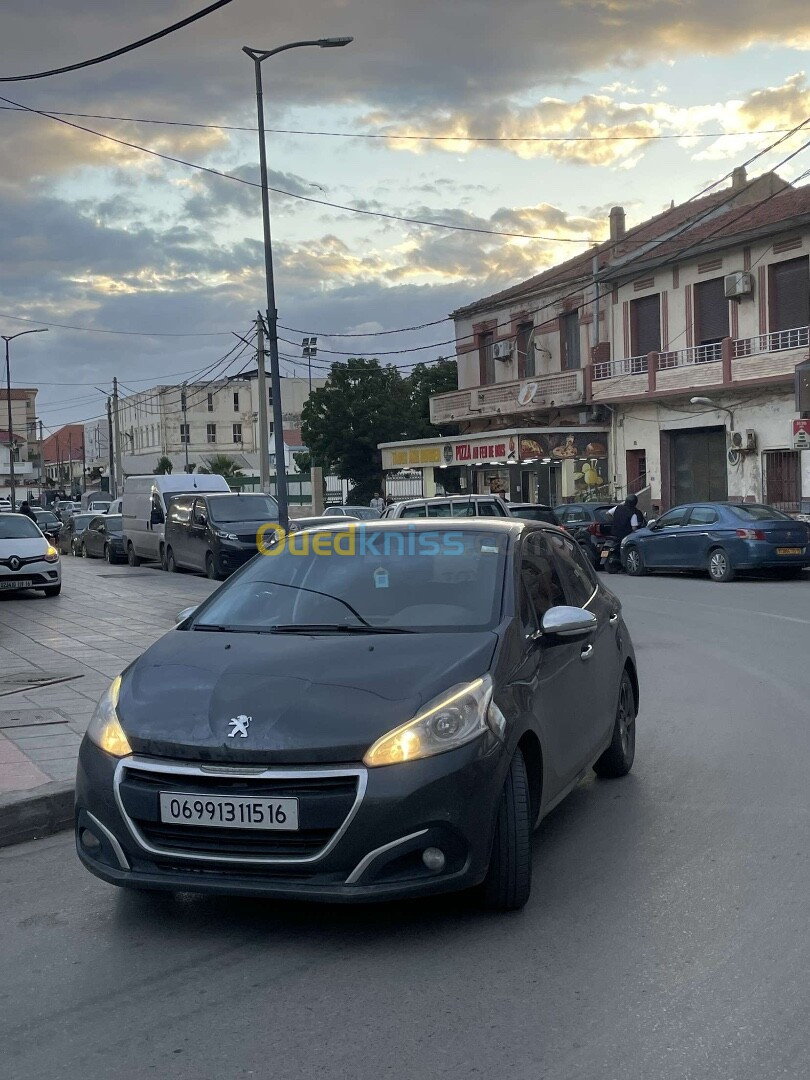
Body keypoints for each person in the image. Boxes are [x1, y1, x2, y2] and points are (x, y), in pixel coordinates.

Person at [607, 495, 644, 573]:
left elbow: (608, 513)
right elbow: (634, 527)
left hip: (614, 532)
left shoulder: (618, 507)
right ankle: (623, 564)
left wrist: (614, 521)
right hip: (625, 535)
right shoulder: (633, 513)